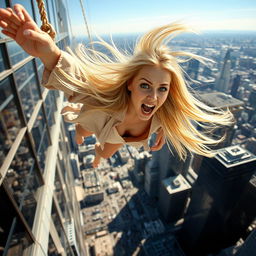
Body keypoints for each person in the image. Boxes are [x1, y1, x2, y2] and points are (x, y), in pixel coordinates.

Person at [0, 4, 233, 168]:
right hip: (105, 119)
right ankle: (80, 129)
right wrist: (50, 53)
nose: (153, 96)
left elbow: (172, 110)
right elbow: (80, 79)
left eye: (162, 88)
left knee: (103, 152)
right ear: (130, 84)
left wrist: (164, 128)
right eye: (145, 85)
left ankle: (95, 155)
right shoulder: (106, 102)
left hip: (120, 137)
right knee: (84, 127)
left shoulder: (162, 112)